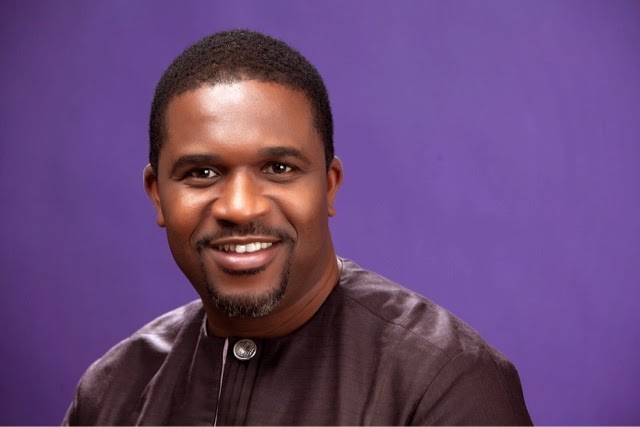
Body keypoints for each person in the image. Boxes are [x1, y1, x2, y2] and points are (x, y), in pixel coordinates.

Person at [63, 29, 532, 425]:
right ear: (157, 194)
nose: (240, 208)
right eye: (202, 173)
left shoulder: (444, 383)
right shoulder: (112, 393)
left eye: (279, 169)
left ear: (328, 187)